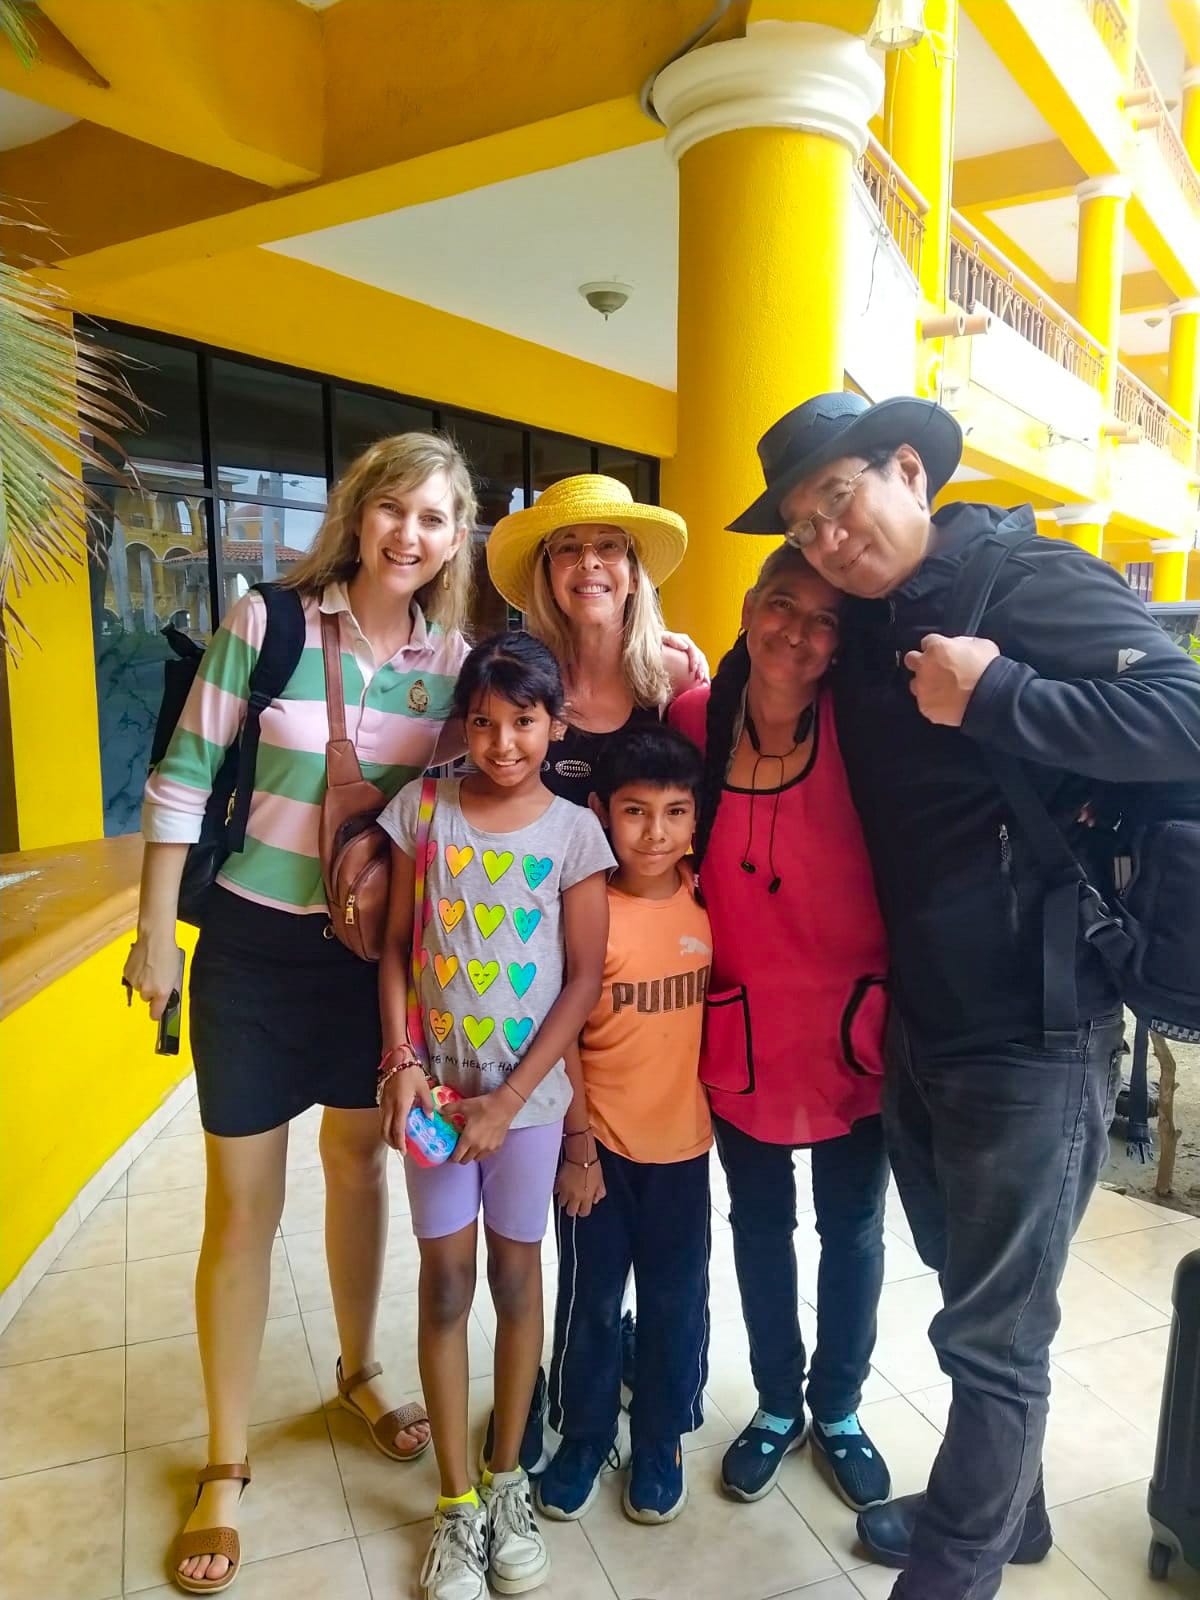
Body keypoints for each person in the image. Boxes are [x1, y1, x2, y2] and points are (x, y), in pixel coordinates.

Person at [727, 389, 1200, 1600]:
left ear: (908, 468)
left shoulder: (1023, 581)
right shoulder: (866, 619)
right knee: (964, 1293)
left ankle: (952, 1573)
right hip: (922, 1023)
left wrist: (1000, 698)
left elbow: (1188, 716)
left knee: (997, 1335)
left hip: (1037, 1026)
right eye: (804, 523)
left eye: (840, 500)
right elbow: (765, 683)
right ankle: (1012, 1516)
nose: (829, 538)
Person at [124, 433, 477, 1593]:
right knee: (242, 1205)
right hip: (250, 949)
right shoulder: (269, 622)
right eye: (394, 508)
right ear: (359, 513)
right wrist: (154, 933)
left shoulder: (453, 661)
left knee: (359, 1166)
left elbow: (499, 773)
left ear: (454, 540)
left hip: (370, 959)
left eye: (434, 518)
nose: (410, 534)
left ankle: (359, 1369)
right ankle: (224, 1459)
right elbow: (183, 775)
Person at [376, 631, 615, 1600]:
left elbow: (585, 977)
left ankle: (506, 1477)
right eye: (483, 721)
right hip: (432, 1101)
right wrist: (400, 1063)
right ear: (463, 724)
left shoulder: (576, 833)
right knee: (445, 1285)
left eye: (524, 720)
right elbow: (397, 947)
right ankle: (455, 1505)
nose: (503, 741)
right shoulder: (423, 808)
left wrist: (511, 1102)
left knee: (519, 1281)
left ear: (556, 725)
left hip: (527, 1109)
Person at [668, 545, 893, 1515]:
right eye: (783, 605)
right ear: (750, 606)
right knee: (759, 1224)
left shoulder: (866, 726)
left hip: (855, 1027)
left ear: (842, 642)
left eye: (824, 619)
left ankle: (838, 1405)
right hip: (742, 1028)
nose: (797, 633)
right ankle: (774, 1404)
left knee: (853, 1226)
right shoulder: (694, 719)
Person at [537, 725, 713, 1525]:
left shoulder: (707, 900)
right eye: (636, 811)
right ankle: (584, 1434)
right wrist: (577, 1148)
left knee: (678, 1298)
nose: (655, 833)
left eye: (675, 812)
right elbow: (564, 1038)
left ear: (696, 818)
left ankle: (661, 1435)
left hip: (684, 1148)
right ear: (601, 811)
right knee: (592, 1301)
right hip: (598, 1149)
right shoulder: (586, 909)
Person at [486, 472, 705, 808]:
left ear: (634, 576)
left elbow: (703, 801)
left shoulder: (677, 674)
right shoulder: (518, 673)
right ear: (547, 579)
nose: (589, 562)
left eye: (609, 545)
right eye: (567, 548)